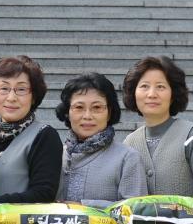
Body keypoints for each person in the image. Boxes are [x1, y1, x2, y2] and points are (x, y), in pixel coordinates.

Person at [0, 55, 61, 206]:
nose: (11, 97)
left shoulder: (44, 136)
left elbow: (44, 193)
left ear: (33, 96)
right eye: (4, 88)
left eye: (21, 89)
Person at [123, 55, 193, 197]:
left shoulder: (192, 135)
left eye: (160, 87)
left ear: (173, 94)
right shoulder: (129, 143)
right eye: (144, 86)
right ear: (133, 93)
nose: (152, 94)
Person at [57, 72, 145, 208]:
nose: (87, 116)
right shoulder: (55, 155)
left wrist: (83, 206)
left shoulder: (127, 158)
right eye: (79, 107)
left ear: (109, 112)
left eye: (97, 107)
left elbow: (136, 210)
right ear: (67, 112)